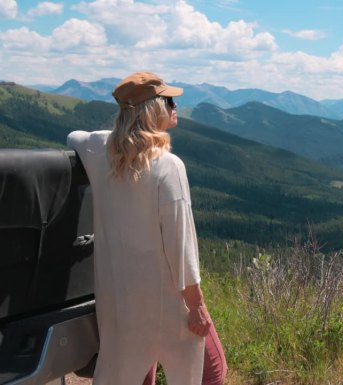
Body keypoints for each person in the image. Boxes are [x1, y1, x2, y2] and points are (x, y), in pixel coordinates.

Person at [67, 72, 227, 385]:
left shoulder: (99, 153)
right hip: (168, 301)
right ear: (153, 108)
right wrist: (197, 307)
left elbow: (73, 136)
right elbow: (180, 246)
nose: (175, 106)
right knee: (211, 372)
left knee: (135, 372)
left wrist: (117, 134)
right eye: (169, 101)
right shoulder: (168, 166)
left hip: (121, 299)